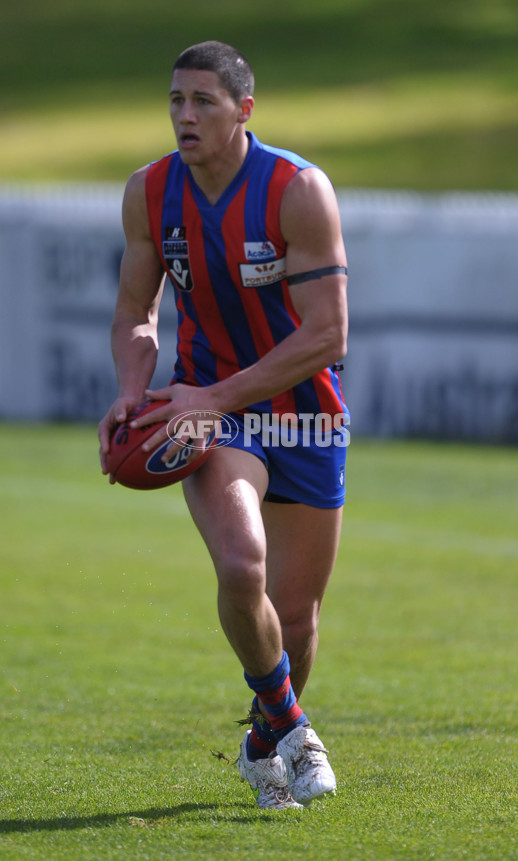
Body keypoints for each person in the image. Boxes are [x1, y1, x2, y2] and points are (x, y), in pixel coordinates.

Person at [98, 40, 349, 810]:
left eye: (202, 101)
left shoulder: (297, 189)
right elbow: (137, 312)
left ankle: (259, 743)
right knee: (243, 569)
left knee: (297, 617)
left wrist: (221, 393)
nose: (184, 116)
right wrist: (138, 389)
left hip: (304, 417)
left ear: (244, 109)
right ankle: (297, 730)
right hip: (210, 419)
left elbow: (327, 333)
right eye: (175, 101)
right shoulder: (148, 192)